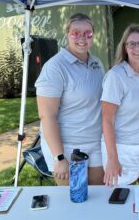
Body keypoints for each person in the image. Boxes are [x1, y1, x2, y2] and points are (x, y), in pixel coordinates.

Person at [35, 13, 105, 185]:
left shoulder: (97, 63)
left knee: (99, 199)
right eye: (76, 33)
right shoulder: (55, 67)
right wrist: (59, 158)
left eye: (87, 33)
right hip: (67, 148)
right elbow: (47, 116)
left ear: (93, 35)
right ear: (67, 34)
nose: (82, 38)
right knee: (74, 201)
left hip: (96, 143)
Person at [101, 24, 139, 186]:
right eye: (132, 44)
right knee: (122, 204)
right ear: (125, 48)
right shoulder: (116, 76)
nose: (137, 48)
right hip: (123, 149)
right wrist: (112, 159)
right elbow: (107, 119)